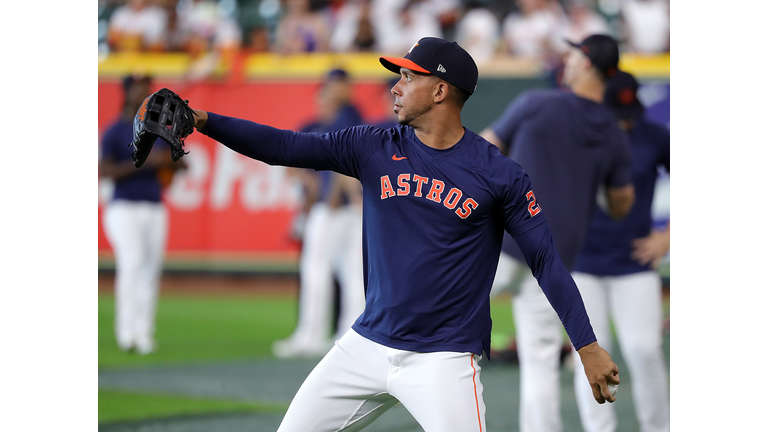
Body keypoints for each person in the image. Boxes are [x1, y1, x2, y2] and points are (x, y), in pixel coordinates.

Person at [187, 37, 619, 431]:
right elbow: (283, 146)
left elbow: (545, 262)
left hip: (443, 360)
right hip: (364, 346)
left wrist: (586, 345)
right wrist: (201, 119)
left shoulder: (498, 173)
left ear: (439, 91)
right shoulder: (373, 145)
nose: (395, 86)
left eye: (408, 76)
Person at [481, 34, 635, 432]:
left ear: (586, 64)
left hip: (502, 244)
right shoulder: (615, 134)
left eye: (572, 55)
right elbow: (621, 205)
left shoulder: (538, 103)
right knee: (541, 363)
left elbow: (479, 153)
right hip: (554, 259)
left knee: (427, 321)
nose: (567, 61)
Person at [570, 70, 670, 432]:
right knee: (592, 354)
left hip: (635, 262)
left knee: (644, 350)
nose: (625, 124)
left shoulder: (654, 135)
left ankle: (659, 427)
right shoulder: (577, 135)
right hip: (583, 262)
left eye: (630, 116)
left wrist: (668, 237)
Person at [272, 68, 367, 359]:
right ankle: (350, 337)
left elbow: (346, 162)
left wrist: (332, 195)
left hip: (336, 207)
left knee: (318, 269)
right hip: (349, 206)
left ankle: (310, 335)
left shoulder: (347, 116)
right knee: (351, 273)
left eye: (337, 86)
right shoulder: (333, 118)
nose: (333, 92)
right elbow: (293, 164)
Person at [99, 75, 187, 355]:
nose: (145, 95)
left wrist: (173, 156)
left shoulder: (159, 129)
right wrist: (147, 162)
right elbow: (106, 171)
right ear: (127, 93)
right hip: (123, 206)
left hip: (154, 206)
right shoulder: (115, 131)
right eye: (140, 89)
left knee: (150, 269)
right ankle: (126, 331)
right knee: (132, 262)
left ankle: (144, 331)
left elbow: (181, 166)